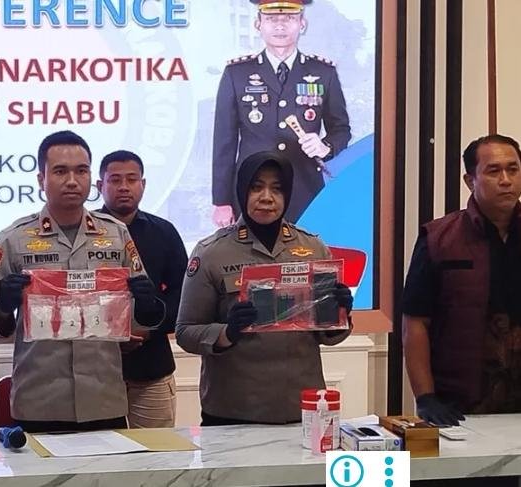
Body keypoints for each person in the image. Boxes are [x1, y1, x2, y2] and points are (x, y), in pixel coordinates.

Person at [0, 130, 164, 434]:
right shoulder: (14, 238)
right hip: (39, 401)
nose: (73, 181)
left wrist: (146, 304)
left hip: (104, 400)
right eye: (61, 171)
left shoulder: (116, 234)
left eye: (81, 171)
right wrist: (3, 308)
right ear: (41, 179)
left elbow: (139, 320)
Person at [177, 150, 353, 425]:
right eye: (256, 187)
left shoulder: (313, 248)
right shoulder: (211, 252)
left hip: (301, 409)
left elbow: (327, 335)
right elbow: (186, 331)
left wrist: (340, 313)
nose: (267, 197)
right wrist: (227, 332)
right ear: (242, 190)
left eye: (277, 189)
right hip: (233, 412)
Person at [402, 134, 521, 427]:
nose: (506, 180)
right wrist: (425, 397)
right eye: (494, 171)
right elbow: (415, 322)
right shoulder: (439, 239)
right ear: (470, 181)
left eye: (513, 169)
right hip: (458, 405)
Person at [211, 0, 350, 227]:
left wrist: (326, 146)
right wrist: (221, 201)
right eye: (271, 18)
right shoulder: (237, 74)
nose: (280, 26)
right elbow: (224, 143)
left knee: (305, 249)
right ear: (258, 24)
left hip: (305, 190)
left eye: (289, 18)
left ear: (302, 24)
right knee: (252, 249)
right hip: (252, 190)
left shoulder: (323, 72)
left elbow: (341, 128)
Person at [97, 150, 188, 428]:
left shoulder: (164, 232)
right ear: (100, 186)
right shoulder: (83, 233)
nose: (124, 187)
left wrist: (148, 330)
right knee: (99, 452)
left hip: (152, 367)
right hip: (96, 371)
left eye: (131, 179)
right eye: (115, 180)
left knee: (155, 452)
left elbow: (184, 296)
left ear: (143, 184)